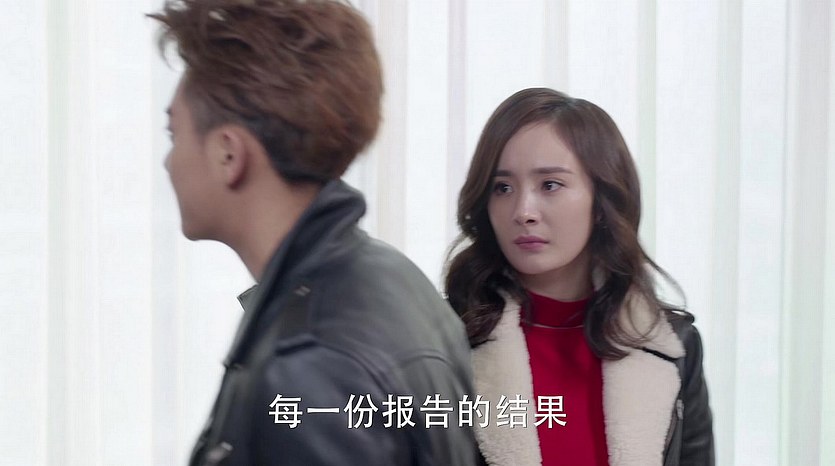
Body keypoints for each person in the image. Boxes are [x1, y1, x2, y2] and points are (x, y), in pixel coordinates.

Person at [149, 1, 477, 464]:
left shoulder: (310, 365)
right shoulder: (389, 274)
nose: (169, 162)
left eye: (174, 135)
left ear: (229, 155)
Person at [444, 88, 714, 466]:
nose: (523, 211)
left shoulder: (673, 345)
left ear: (601, 201)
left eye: (550, 185)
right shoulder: (443, 339)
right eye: (502, 188)